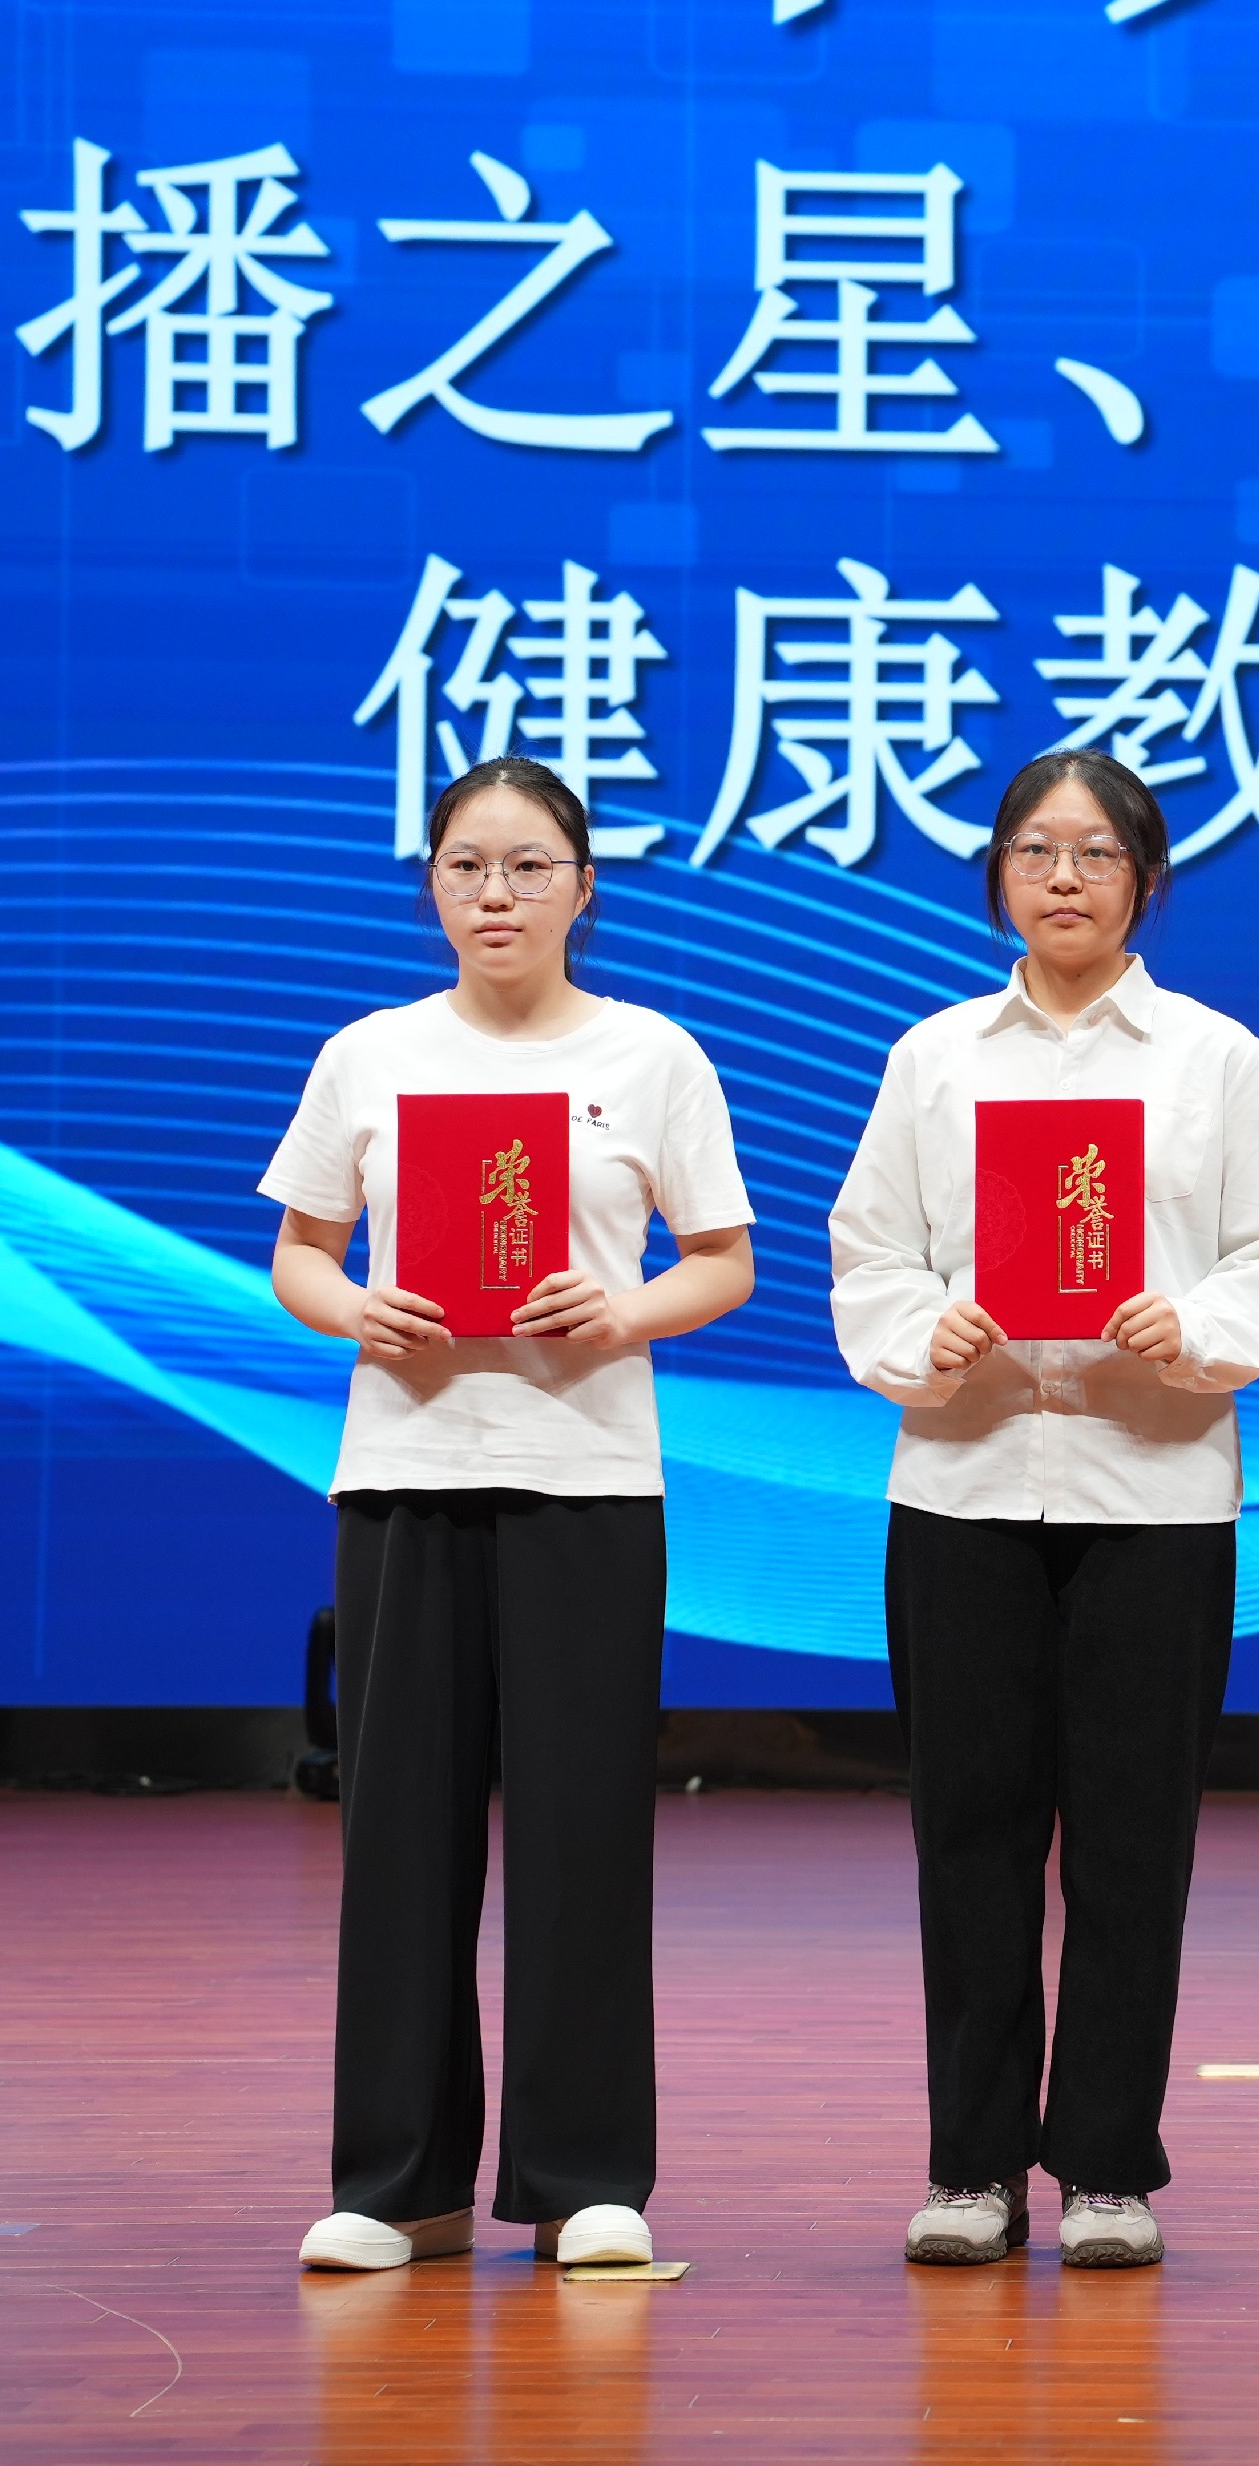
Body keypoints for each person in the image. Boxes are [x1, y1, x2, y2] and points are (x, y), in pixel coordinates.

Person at [829, 751, 1259, 2272]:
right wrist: (930, 1332)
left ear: (1145, 881)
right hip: (966, 1480)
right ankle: (972, 2163)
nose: (1063, 877)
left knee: (1131, 1840)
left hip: (1152, 1487)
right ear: (997, 877)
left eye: (1096, 853)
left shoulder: (1213, 1058)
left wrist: (1194, 1325)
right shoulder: (934, 1059)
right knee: (969, 1834)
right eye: (1035, 850)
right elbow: (870, 1253)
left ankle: (1107, 2162)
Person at [265, 754, 759, 2275]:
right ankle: (395, 2183)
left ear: (583, 888)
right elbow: (299, 1252)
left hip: (587, 1483)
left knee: (582, 1829)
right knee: (400, 1835)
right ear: (432, 886)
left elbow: (722, 1260)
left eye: (530, 866)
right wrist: (356, 1309)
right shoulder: (370, 1054)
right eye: (468, 866)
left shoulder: (652, 1054)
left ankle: (585, 2176)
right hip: (406, 1478)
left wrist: (620, 1312)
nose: (497, 894)